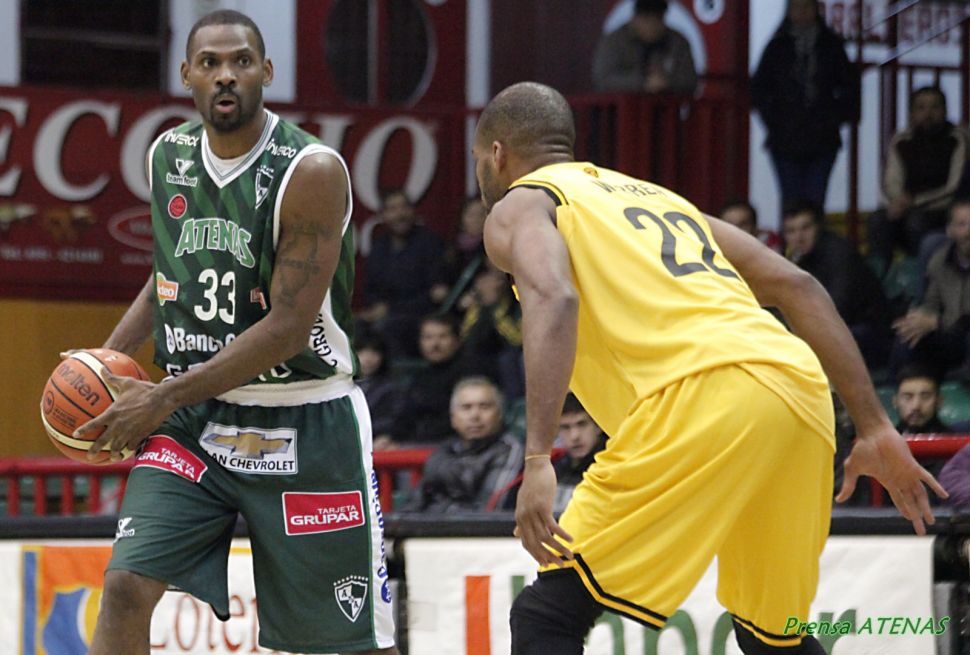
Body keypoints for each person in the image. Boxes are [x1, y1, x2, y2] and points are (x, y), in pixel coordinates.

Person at [472, 81, 943, 655]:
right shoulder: (656, 198)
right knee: (772, 638)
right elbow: (798, 286)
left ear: (497, 153)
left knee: (546, 617)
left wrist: (538, 457)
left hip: (702, 395)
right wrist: (873, 425)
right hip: (797, 391)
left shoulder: (521, 203)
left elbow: (554, 294)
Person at [72, 11, 396, 655]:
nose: (226, 75)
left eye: (241, 61)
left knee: (349, 644)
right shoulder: (167, 155)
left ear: (266, 72)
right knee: (125, 589)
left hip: (306, 416)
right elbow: (168, 274)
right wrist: (107, 365)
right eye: (211, 63)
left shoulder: (310, 170)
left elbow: (287, 329)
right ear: (186, 75)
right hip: (197, 421)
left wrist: (160, 397)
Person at [751, 0, 860, 211]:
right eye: (796, 7)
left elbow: (850, 87)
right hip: (785, 138)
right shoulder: (778, 46)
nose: (802, 12)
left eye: (807, 6)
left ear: (816, 10)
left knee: (815, 201)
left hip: (822, 138)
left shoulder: (831, 46)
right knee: (790, 201)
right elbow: (759, 88)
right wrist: (774, 119)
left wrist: (833, 118)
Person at [868, 87, 970, 270]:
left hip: (942, 208)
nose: (928, 114)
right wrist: (897, 202)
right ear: (911, 113)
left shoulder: (958, 139)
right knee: (878, 220)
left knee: (916, 222)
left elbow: (954, 186)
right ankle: (877, 277)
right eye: (921, 107)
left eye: (934, 107)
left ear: (945, 110)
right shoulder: (901, 140)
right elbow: (891, 180)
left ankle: (916, 276)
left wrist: (914, 202)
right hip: (905, 207)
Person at [781, 200, 891, 366]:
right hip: (833, 328)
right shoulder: (796, 258)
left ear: (819, 227)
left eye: (806, 228)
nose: (799, 237)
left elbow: (838, 308)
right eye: (791, 231)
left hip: (868, 331)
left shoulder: (840, 254)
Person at [406, 377, 523, 512]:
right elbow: (412, 507)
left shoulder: (510, 450)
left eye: (484, 407)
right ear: (453, 418)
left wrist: (438, 508)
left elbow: (488, 512)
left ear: (499, 414)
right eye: (466, 408)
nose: (475, 415)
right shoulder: (444, 452)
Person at [358, 188, 450, 358]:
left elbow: (436, 294)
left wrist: (390, 309)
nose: (400, 214)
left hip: (418, 316)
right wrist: (376, 306)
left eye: (404, 207)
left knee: (390, 328)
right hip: (385, 314)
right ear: (383, 215)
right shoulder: (379, 247)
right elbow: (371, 288)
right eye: (392, 209)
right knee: (355, 326)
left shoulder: (429, 242)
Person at [892, 198, 970, 379]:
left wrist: (938, 322)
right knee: (907, 336)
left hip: (962, 333)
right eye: (962, 225)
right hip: (950, 334)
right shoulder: (940, 261)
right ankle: (897, 389)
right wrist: (918, 320)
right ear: (950, 231)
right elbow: (931, 303)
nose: (969, 232)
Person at [591, 0, 697, 95]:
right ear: (635, 18)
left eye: (657, 20)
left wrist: (667, 82)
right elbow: (603, 79)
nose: (652, 26)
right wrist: (643, 83)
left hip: (667, 108)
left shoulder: (677, 42)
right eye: (646, 19)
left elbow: (690, 79)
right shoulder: (615, 41)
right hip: (621, 108)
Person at [553, 394, 607, 514]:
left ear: (598, 426)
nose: (574, 436)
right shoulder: (554, 468)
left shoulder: (614, 466)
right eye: (565, 427)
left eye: (582, 424)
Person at [893, 364, 951, 435]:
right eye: (908, 397)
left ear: (939, 401)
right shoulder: (884, 440)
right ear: (895, 401)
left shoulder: (956, 440)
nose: (916, 406)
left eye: (925, 397)